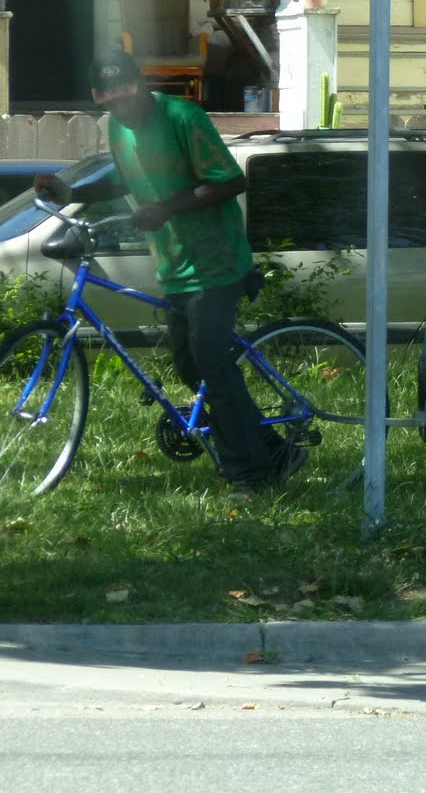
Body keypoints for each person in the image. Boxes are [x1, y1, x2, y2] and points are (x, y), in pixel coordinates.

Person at [36, 48, 304, 492]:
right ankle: (276, 450)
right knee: (191, 368)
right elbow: (128, 179)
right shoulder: (118, 128)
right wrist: (69, 191)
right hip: (174, 266)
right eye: (112, 102)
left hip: (216, 263)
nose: (123, 108)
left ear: (142, 86)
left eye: (129, 97)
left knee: (213, 364)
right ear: (100, 100)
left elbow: (231, 181)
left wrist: (166, 208)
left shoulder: (184, 117)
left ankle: (251, 475)